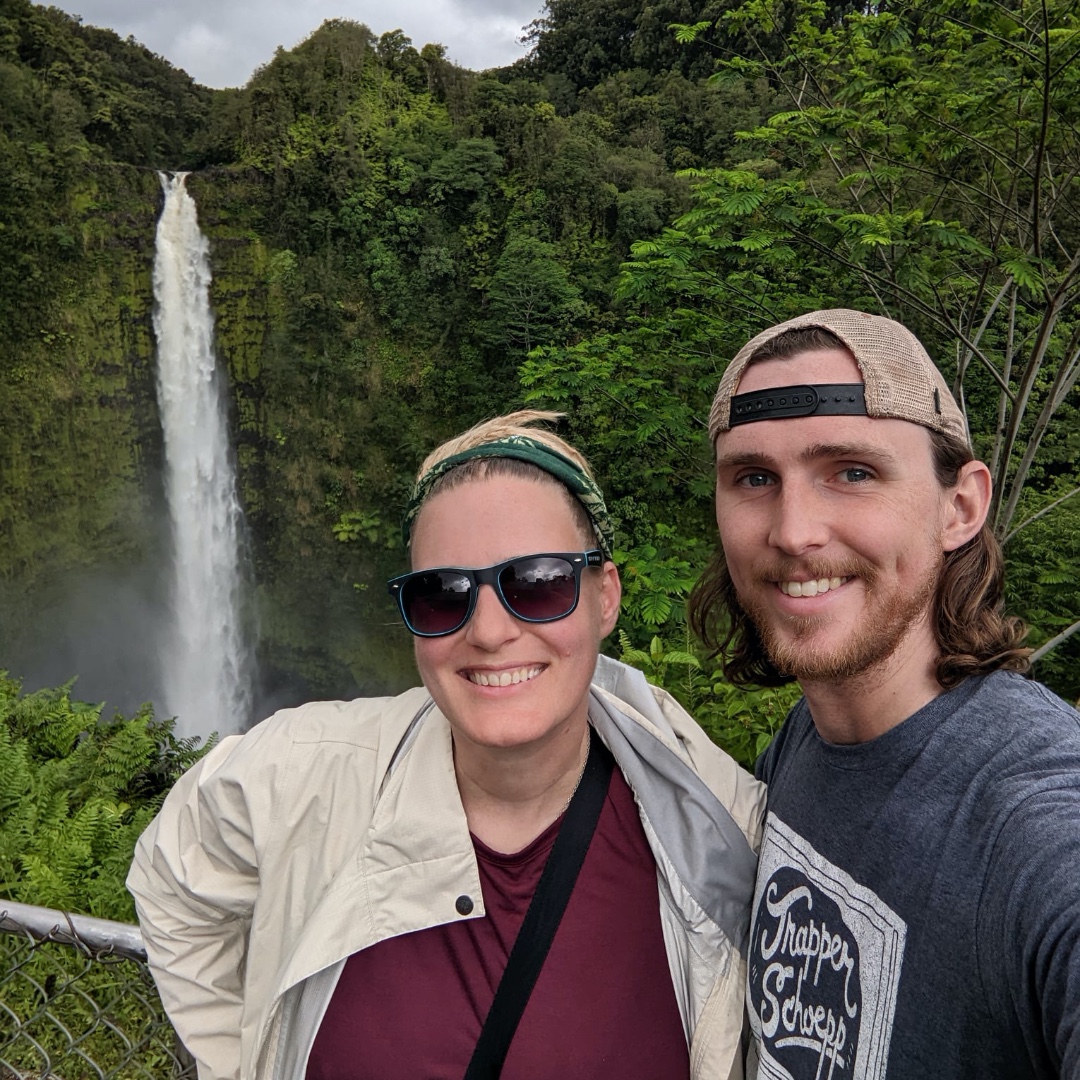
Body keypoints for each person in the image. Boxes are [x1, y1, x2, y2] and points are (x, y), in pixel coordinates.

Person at [127, 410, 766, 1080]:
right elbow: (171, 876)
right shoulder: (301, 772)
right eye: (441, 595)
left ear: (604, 596)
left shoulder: (719, 826)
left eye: (538, 583)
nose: (489, 631)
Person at [689, 309, 1080, 1079]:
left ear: (959, 507)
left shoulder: (1032, 820)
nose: (794, 531)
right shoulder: (806, 740)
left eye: (853, 473)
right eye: (755, 478)